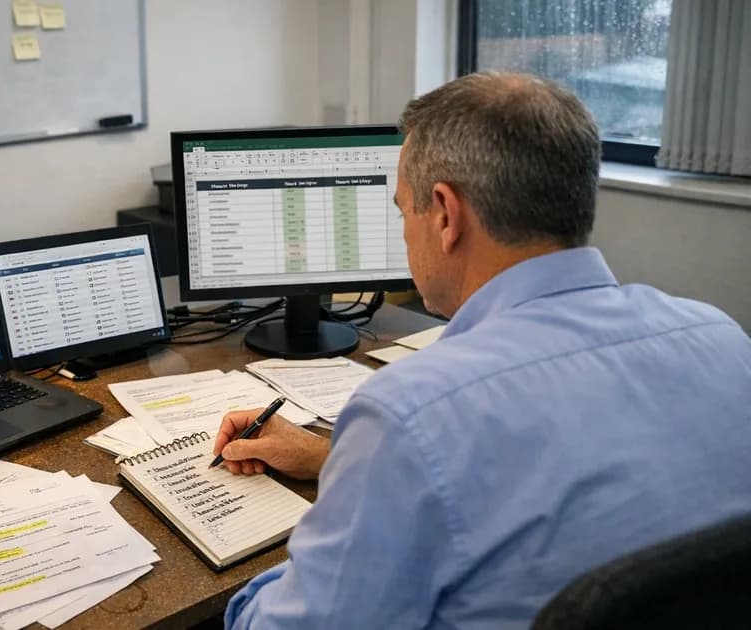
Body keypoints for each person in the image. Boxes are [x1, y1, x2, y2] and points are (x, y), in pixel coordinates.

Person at [217, 72, 751, 628]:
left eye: (404, 211)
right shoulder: (723, 339)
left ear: (446, 215)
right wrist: (337, 463)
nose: (405, 233)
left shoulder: (411, 413)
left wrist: (288, 565)